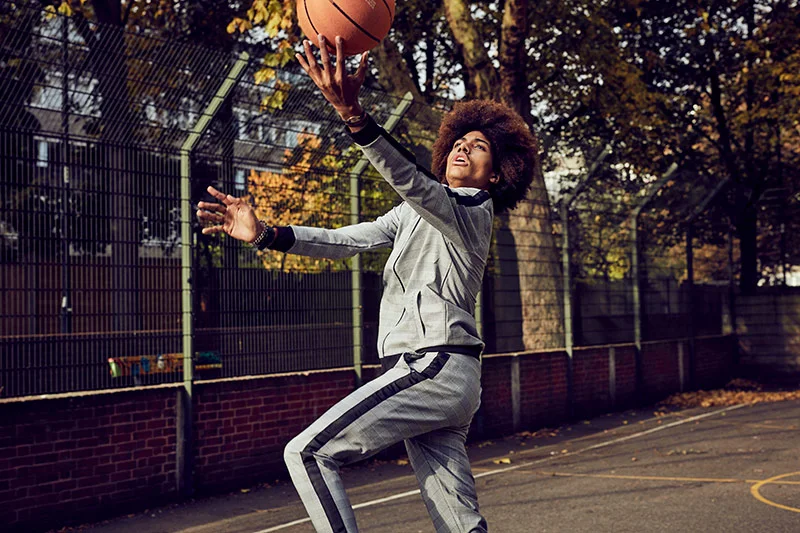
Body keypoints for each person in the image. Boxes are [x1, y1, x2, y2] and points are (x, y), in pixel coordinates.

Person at [197, 34, 538, 533]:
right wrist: (265, 233)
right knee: (460, 523)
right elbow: (342, 241)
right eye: (460, 142)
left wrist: (354, 115)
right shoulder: (414, 214)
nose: (464, 148)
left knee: (308, 453)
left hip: (434, 364)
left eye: (479, 147)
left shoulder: (472, 209)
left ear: (496, 175)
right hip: (440, 374)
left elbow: (413, 181)